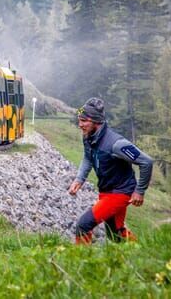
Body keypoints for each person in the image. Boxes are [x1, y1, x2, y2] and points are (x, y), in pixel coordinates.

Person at [68, 98, 153, 244]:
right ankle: (143, 251)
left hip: (120, 192)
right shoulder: (88, 137)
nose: (80, 125)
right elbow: (88, 157)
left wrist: (140, 191)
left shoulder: (116, 144)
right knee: (115, 234)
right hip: (106, 191)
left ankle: (78, 262)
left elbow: (146, 162)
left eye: (84, 121)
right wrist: (79, 179)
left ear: (97, 121)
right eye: (79, 120)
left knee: (83, 225)